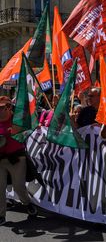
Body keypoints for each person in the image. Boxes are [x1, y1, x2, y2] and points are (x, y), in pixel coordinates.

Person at [0, 96, 37, 226]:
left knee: (18, 186)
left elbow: (28, 132)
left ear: (9, 107)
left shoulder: (17, 120)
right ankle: (1, 215)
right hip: (1, 160)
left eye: (1, 107)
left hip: (16, 158)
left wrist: (17, 131)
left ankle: (27, 203)